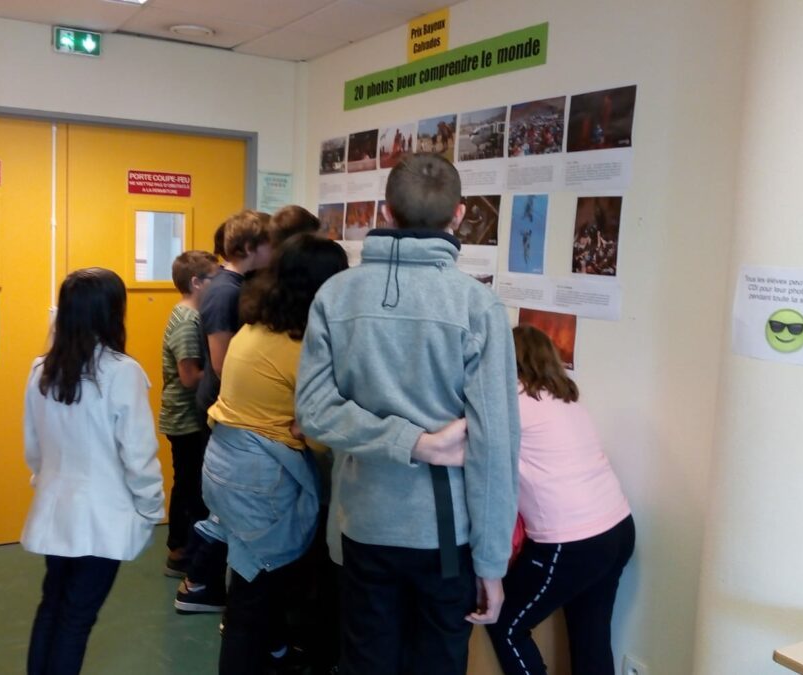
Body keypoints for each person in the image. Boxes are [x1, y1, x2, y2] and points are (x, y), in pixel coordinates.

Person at [295, 152, 520, 675]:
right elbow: (495, 447)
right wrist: (490, 565)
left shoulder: (335, 295)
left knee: (366, 662)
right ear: (459, 216)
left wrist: (401, 442)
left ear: (387, 213)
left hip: (364, 525)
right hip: (443, 538)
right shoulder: (477, 307)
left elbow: (315, 413)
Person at [199, 233, 349, 674]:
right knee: (255, 598)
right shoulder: (299, 347)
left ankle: (277, 653)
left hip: (228, 464)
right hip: (260, 479)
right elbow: (321, 434)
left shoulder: (257, 326)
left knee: (253, 588)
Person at [21, 267, 164, 675]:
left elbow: (33, 445)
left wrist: (45, 480)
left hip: (54, 509)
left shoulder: (41, 370)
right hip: (104, 516)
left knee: (53, 605)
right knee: (77, 618)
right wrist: (151, 508)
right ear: (111, 311)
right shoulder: (122, 372)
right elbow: (138, 454)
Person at [486, 326, 634, 675]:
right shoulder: (567, 400)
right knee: (591, 635)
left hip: (571, 543)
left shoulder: (512, 403)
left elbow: (464, 448)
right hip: (618, 528)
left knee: (505, 625)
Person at [177, 209, 273, 614]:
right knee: (219, 507)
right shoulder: (225, 291)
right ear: (250, 248)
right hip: (221, 409)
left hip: (222, 406)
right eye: (269, 243)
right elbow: (222, 363)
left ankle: (202, 580)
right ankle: (199, 582)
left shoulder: (231, 286)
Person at [158, 250, 221, 578]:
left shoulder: (188, 315)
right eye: (214, 277)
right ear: (196, 283)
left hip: (185, 415)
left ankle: (181, 546)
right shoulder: (188, 322)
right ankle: (180, 549)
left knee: (188, 481)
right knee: (189, 484)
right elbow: (188, 376)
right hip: (184, 418)